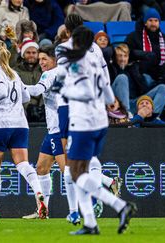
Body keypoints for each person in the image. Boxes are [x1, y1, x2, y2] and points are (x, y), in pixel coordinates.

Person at [56, 26, 136, 235]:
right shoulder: (95, 62)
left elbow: (73, 91)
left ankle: (120, 205)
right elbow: (109, 96)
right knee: (83, 169)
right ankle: (90, 223)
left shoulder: (75, 65)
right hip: (100, 122)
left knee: (75, 174)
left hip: (83, 123)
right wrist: (112, 103)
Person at [0, 40, 47, 220]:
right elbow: (25, 96)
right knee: (23, 164)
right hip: (20, 124)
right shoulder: (15, 74)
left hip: (0, 124)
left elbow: (1, 92)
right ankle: (39, 194)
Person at [21, 45, 68, 219]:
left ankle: (103, 186)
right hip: (54, 130)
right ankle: (43, 211)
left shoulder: (49, 74)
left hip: (58, 130)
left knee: (68, 171)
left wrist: (16, 84)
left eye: (44, 59)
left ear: (54, 60)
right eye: (40, 59)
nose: (41, 62)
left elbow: (36, 90)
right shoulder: (65, 72)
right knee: (41, 168)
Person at [125, 8, 165, 94]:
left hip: (162, 74)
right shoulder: (133, 36)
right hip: (143, 73)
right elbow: (128, 54)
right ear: (145, 22)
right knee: (147, 80)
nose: (153, 24)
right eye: (150, 20)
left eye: (156, 21)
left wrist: (164, 71)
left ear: (159, 23)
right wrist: (144, 55)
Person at [109, 43, 165, 115]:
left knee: (163, 88)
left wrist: (132, 53)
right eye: (120, 56)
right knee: (122, 77)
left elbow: (151, 57)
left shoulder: (134, 67)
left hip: (136, 102)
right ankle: (125, 116)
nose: (122, 59)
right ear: (115, 57)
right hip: (118, 103)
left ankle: (152, 117)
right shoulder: (110, 68)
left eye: (125, 56)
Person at [12, 38, 43, 122]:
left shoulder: (43, 70)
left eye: (34, 53)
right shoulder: (15, 71)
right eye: (28, 52)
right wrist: (28, 106)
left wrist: (41, 107)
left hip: (41, 107)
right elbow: (15, 92)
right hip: (22, 107)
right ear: (23, 54)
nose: (31, 55)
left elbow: (46, 90)